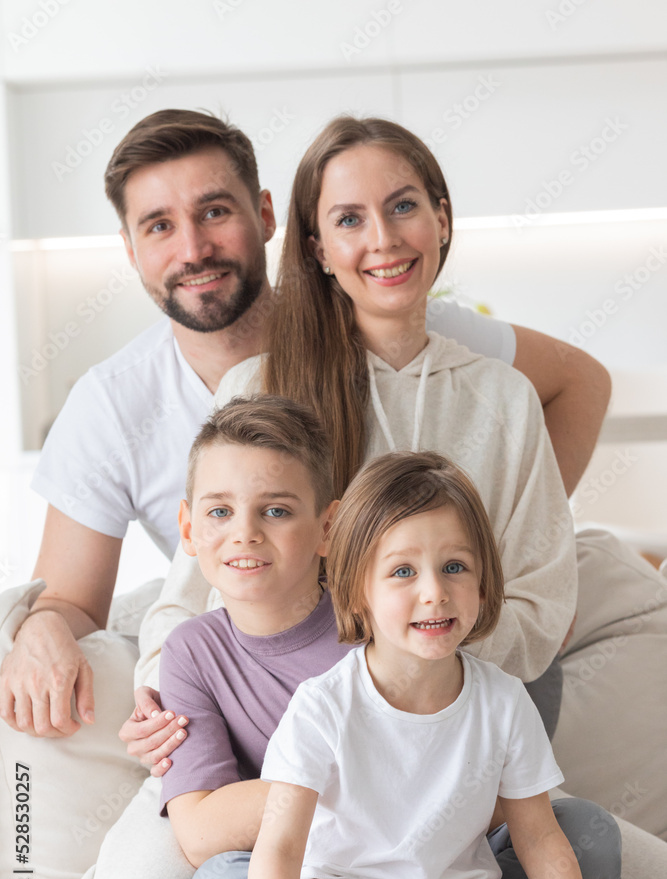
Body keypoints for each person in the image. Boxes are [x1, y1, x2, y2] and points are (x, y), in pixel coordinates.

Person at [0, 108, 611, 742]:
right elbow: (162, 601)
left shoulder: (477, 372)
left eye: (214, 212)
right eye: (160, 225)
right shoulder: (156, 398)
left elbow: (575, 399)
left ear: (266, 217)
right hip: (288, 707)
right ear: (317, 245)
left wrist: (497, 544)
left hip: (454, 708)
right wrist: (108, 663)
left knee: (583, 836)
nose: (193, 247)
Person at [248, 451, 666, 879]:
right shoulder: (323, 704)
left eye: (455, 567)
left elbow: (538, 837)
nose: (434, 592)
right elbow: (278, 846)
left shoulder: (503, 702)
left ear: (484, 584)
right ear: (356, 592)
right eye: (402, 571)